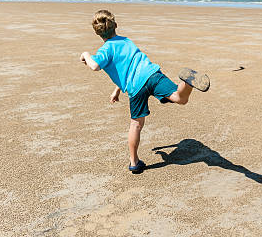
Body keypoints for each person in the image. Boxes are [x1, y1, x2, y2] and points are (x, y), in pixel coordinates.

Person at [79, 9, 210, 174]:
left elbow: (95, 66)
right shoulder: (126, 41)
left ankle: (134, 162)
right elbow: (128, 66)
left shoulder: (105, 50)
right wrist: (117, 90)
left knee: (136, 124)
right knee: (180, 98)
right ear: (116, 25)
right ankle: (187, 81)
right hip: (151, 74)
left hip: (136, 87)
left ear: (96, 32)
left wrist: (85, 54)